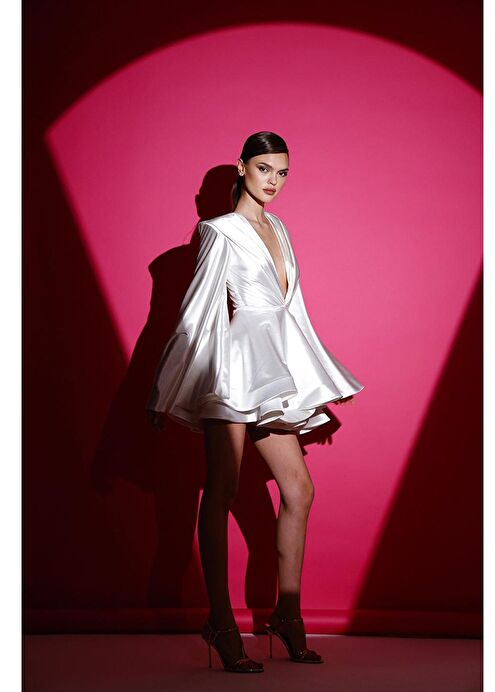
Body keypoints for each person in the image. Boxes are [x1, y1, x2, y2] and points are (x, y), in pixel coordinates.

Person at [146, 131, 364, 673]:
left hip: (274, 370)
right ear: (241, 168)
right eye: (264, 168)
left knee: (299, 490)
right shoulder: (218, 230)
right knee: (221, 488)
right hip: (232, 370)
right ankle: (221, 621)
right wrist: (165, 385)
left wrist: (315, 378)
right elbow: (196, 310)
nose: (274, 181)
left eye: (282, 172)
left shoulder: (279, 228)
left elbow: (292, 308)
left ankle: (286, 613)